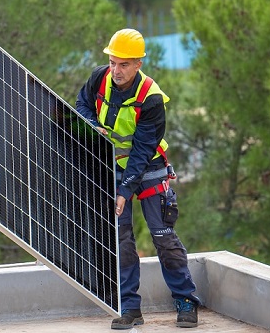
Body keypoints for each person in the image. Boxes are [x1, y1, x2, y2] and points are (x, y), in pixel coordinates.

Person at [76, 28, 200, 329]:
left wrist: (124, 189)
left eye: (124, 64)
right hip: (112, 166)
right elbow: (81, 105)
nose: (116, 70)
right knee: (121, 239)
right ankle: (130, 307)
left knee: (163, 235)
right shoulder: (99, 77)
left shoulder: (151, 98)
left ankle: (185, 300)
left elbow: (143, 150)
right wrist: (93, 125)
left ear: (138, 64)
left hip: (148, 166)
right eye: (113, 62)